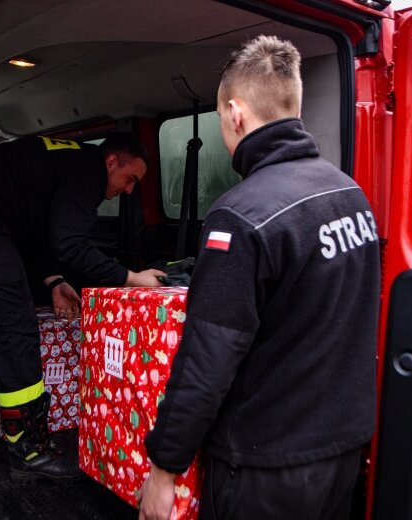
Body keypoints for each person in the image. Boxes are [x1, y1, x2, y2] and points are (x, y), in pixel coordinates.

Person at [138, 36, 380, 519]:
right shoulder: (350, 194)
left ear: (234, 113)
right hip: (341, 450)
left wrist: (164, 469)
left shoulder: (241, 215)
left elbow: (207, 361)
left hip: (265, 464)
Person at [0, 131, 164, 481]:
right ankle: (28, 447)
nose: (129, 190)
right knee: (15, 329)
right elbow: (71, 244)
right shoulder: (87, 171)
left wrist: (54, 281)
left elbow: (34, 229)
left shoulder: (61, 162)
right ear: (111, 162)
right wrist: (132, 278)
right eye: (130, 178)